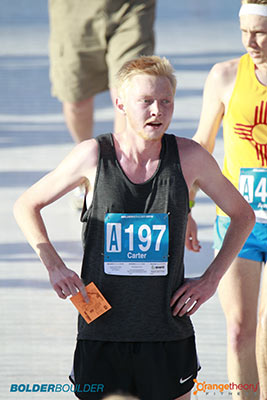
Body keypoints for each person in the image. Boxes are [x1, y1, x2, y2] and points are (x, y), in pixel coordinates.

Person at [13, 56, 255, 400]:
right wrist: (54, 265)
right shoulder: (93, 155)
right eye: (146, 101)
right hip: (100, 328)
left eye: (165, 101)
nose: (157, 111)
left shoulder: (189, 157)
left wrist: (210, 279)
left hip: (167, 331)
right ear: (120, 104)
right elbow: (25, 204)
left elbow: (243, 215)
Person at [186, 1, 267, 399]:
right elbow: (202, 146)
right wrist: (184, 208)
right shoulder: (225, 76)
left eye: (261, 33)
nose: (251, 42)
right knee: (239, 331)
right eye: (244, 32)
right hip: (239, 224)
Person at [48, 0, 156, 143]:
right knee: (76, 102)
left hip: (131, 7)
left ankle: (121, 161)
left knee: (128, 92)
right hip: (73, 11)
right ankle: (88, 154)